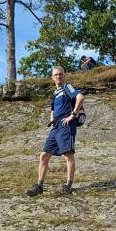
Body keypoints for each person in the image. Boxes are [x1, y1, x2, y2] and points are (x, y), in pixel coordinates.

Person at [26, 66, 86, 196]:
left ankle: (68, 186)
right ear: (52, 78)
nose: (58, 76)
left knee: (68, 155)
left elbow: (80, 97)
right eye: (56, 75)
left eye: (60, 74)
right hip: (56, 126)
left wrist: (72, 115)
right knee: (44, 155)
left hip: (66, 125)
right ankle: (39, 186)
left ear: (64, 76)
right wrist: (52, 120)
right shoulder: (55, 93)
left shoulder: (67, 87)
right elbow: (53, 109)